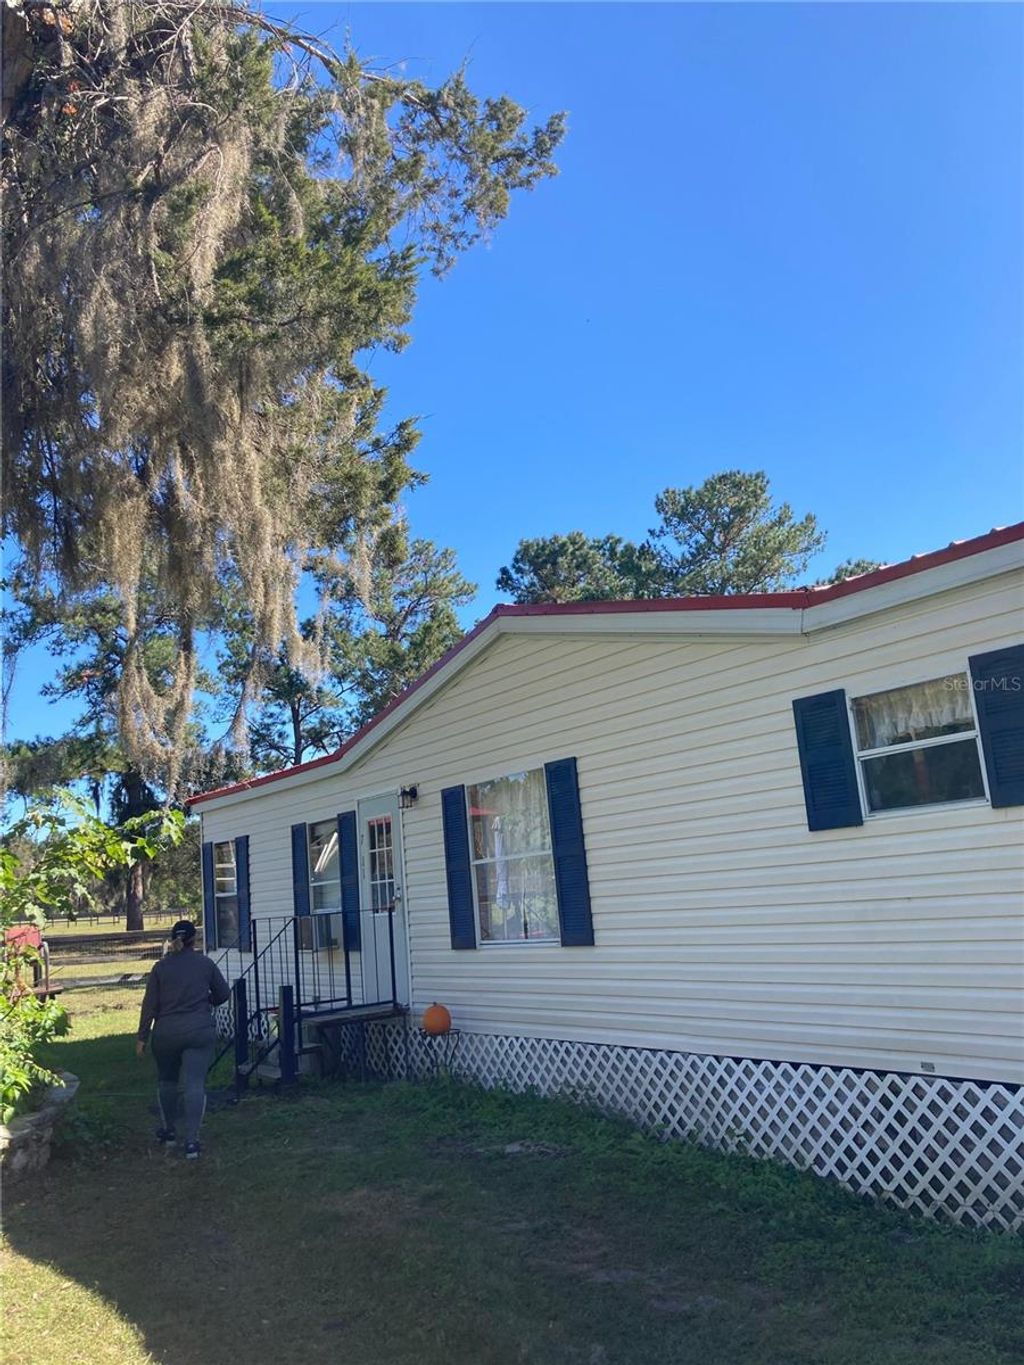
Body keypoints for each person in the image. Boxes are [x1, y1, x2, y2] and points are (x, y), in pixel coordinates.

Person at [136, 919, 230, 1159]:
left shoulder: (160, 968)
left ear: (172, 940)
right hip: (199, 1030)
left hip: (166, 1033)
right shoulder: (205, 964)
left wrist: (142, 1037)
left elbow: (150, 1005)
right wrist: (207, 1001)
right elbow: (223, 993)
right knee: (194, 1084)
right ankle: (192, 1142)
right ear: (194, 940)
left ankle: (169, 1131)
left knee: (167, 1082)